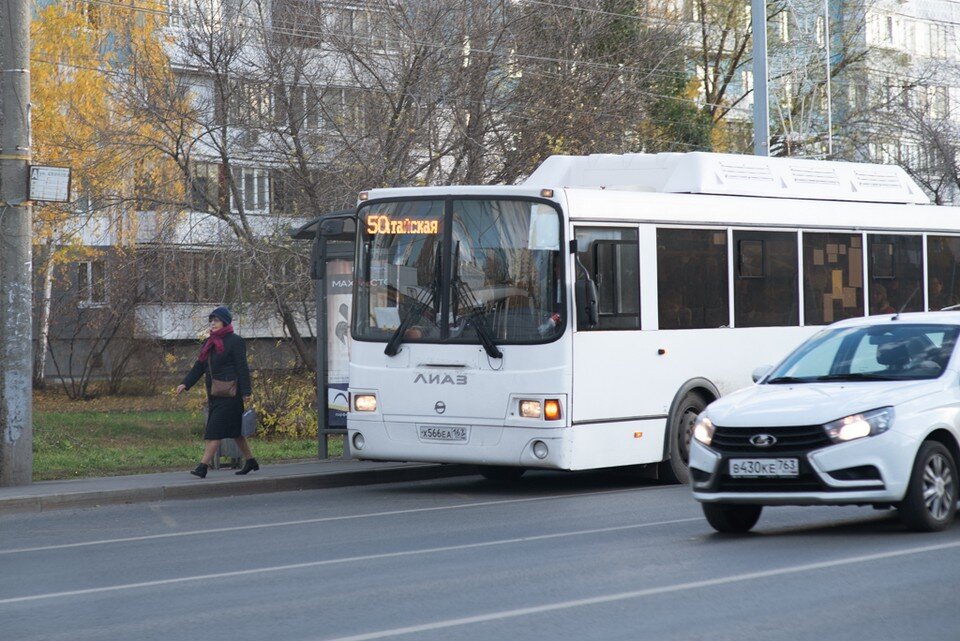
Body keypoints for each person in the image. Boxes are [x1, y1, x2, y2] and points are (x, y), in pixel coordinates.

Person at [176, 306, 257, 478]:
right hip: (215, 394)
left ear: (225, 322)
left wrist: (246, 391)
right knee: (236, 432)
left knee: (214, 431)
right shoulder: (209, 343)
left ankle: (202, 467)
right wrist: (185, 383)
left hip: (231, 394)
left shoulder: (236, 341)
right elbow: (199, 366)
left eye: (216, 320)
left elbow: (242, 368)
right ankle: (251, 461)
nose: (212, 323)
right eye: (211, 320)